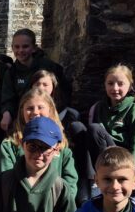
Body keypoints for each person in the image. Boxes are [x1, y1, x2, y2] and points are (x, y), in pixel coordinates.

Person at [0, 88, 78, 198]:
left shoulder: (61, 146)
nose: (35, 112)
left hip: (53, 203)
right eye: (30, 108)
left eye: (40, 107)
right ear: (22, 111)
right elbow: (6, 181)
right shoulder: (10, 145)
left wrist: (59, 203)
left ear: (50, 110)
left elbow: (70, 184)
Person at [30, 70, 90, 203]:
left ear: (54, 87)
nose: (41, 87)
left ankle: (84, 184)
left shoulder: (67, 112)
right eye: (37, 84)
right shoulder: (27, 108)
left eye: (45, 84)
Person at [0, 28, 69, 132]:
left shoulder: (49, 67)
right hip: (24, 116)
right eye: (17, 47)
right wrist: (6, 113)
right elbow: (8, 98)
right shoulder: (11, 73)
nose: (20, 50)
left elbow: (63, 92)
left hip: (49, 115)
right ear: (12, 48)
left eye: (25, 46)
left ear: (34, 48)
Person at [87, 64, 135, 162]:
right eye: (110, 83)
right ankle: (89, 171)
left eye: (120, 84)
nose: (115, 88)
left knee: (95, 128)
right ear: (105, 85)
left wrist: (133, 168)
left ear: (130, 86)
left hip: (123, 160)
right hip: (102, 156)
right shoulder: (99, 107)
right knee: (77, 127)